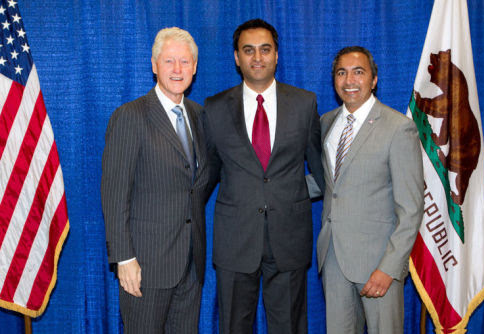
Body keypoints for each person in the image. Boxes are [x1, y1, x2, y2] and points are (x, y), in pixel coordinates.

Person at [203, 18, 325, 334]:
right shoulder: (214, 108)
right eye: (248, 50)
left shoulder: (304, 103)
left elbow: (321, 171)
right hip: (235, 242)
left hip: (289, 238)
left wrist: (294, 192)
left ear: (277, 55)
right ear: (236, 57)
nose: (257, 57)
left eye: (265, 49)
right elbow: (207, 175)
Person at [101, 27, 208, 334]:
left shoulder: (199, 116)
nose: (178, 69)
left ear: (195, 68)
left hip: (190, 264)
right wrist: (124, 258)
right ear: (153, 64)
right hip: (145, 267)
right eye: (169, 61)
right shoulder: (131, 116)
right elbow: (114, 194)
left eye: (185, 62)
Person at [316, 46, 424, 333]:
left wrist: (389, 267)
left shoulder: (398, 128)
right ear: (334, 80)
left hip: (378, 263)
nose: (349, 80)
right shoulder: (326, 123)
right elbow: (329, 183)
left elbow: (411, 209)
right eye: (342, 72)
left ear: (373, 79)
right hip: (334, 258)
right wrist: (269, 187)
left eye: (358, 72)